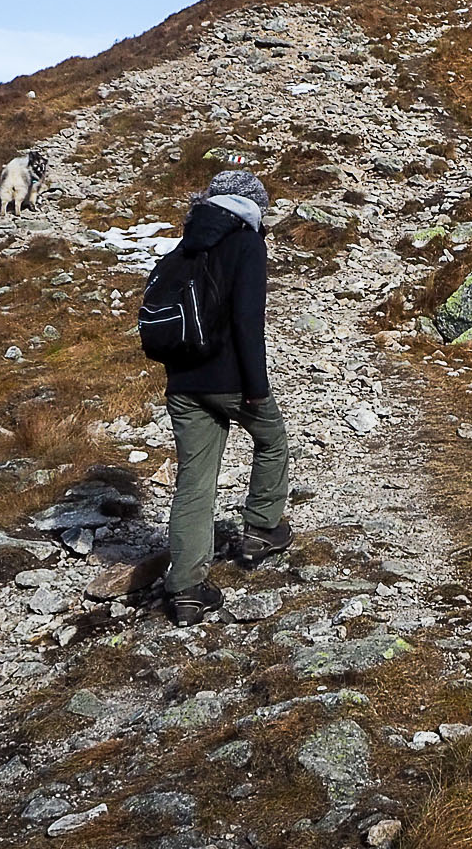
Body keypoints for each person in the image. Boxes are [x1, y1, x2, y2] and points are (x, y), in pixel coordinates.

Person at [159, 170, 290, 625]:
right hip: (232, 379)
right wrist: (256, 387)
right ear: (252, 205)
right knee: (272, 440)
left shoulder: (186, 243)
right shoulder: (246, 242)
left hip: (184, 384)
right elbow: (247, 321)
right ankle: (261, 530)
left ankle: (186, 591)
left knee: (194, 482)